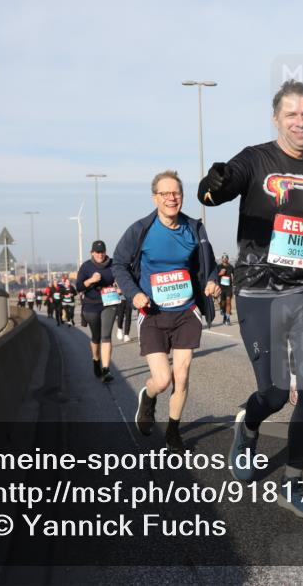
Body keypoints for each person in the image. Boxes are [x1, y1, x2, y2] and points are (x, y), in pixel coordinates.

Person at [198, 79, 303, 518]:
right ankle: (248, 427)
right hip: (258, 291)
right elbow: (216, 191)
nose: (300, 122)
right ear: (276, 119)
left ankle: (293, 483)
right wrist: (211, 185)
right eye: (291, 114)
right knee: (272, 394)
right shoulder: (255, 160)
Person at [113, 170, 220, 453]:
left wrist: (212, 281)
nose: (172, 198)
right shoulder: (140, 230)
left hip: (186, 311)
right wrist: (134, 293)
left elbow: (210, 265)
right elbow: (119, 265)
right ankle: (148, 398)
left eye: (176, 193)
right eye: (165, 194)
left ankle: (173, 430)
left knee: (182, 375)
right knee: (162, 379)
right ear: (155, 198)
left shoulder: (195, 228)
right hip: (153, 313)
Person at [77, 240, 121, 383]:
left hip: (109, 302)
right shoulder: (86, 266)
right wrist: (90, 280)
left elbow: (122, 278)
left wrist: (120, 287)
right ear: (92, 253)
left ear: (105, 252)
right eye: (97, 252)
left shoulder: (114, 264)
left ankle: (106, 369)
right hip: (91, 305)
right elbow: (78, 287)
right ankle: (96, 359)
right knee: (96, 337)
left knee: (106, 336)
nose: (100, 254)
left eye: (102, 252)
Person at [216, 253, 235, 325]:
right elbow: (215, 276)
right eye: (223, 258)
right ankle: (223, 312)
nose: (224, 259)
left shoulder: (231, 267)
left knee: (228, 301)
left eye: (226, 258)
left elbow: (235, 275)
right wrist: (220, 274)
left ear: (228, 259)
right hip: (221, 287)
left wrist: (234, 282)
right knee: (223, 303)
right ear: (221, 259)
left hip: (229, 287)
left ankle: (227, 319)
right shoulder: (218, 267)